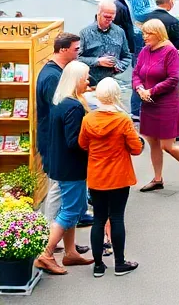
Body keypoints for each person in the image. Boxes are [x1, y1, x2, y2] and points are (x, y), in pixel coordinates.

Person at [78, 78, 143, 278]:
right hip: (119, 176)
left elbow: (82, 144)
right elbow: (136, 149)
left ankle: (98, 265)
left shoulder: (88, 119)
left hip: (97, 176)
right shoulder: (122, 119)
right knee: (116, 218)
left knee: (98, 219)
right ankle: (120, 263)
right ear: (115, 95)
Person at [36, 60, 95, 276]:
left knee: (68, 208)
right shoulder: (75, 107)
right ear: (77, 80)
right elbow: (75, 141)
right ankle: (47, 254)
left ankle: (70, 252)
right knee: (71, 211)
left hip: (60, 164)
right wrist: (94, 143)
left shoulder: (60, 102)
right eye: (86, 78)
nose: (88, 82)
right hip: (72, 168)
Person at [132, 20, 179, 193]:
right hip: (148, 103)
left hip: (166, 104)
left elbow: (173, 79)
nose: (144, 37)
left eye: (148, 33)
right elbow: (136, 73)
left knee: (167, 146)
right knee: (153, 142)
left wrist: (151, 91)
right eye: (144, 33)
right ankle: (157, 178)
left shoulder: (170, 52)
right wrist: (140, 89)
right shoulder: (145, 51)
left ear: (158, 33)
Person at [37, 32, 82, 221]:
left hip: (54, 137)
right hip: (53, 139)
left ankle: (59, 231)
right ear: (63, 49)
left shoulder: (56, 72)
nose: (78, 52)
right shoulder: (52, 77)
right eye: (76, 49)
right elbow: (58, 109)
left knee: (58, 188)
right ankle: (51, 233)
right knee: (57, 188)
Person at [78, 0, 133, 91]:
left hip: (112, 82)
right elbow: (77, 58)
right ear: (98, 13)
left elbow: (127, 56)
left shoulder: (119, 32)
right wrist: (97, 61)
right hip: (90, 83)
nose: (109, 20)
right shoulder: (85, 33)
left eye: (111, 18)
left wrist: (118, 66)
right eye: (106, 17)